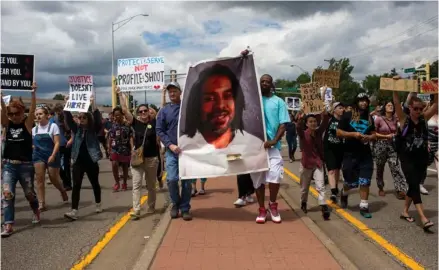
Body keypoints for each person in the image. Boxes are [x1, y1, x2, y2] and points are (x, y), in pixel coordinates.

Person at [179, 64, 267, 178]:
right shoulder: (185, 145)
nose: (220, 106)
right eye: (209, 98)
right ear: (197, 104)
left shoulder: (255, 144)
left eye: (227, 96)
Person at [393, 89, 438, 231]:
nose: (418, 111)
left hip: (421, 158)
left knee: (413, 185)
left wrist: (436, 90)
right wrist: (395, 88)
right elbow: (396, 103)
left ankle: (405, 211)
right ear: (410, 108)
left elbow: (436, 104)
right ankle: (423, 218)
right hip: (407, 159)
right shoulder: (404, 119)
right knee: (414, 185)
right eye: (416, 108)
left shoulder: (424, 119)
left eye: (421, 108)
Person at [1, 83, 40, 237]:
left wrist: (33, 94)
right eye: (11, 114)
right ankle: (8, 224)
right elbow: (3, 112)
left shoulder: (27, 125)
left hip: (25, 166)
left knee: (29, 193)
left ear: (21, 112)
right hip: (9, 165)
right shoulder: (7, 124)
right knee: (7, 194)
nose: (14, 116)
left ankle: (35, 209)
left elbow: (32, 111)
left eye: (17, 113)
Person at [250, 74, 289, 224]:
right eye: (262, 81)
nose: (265, 83)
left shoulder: (278, 102)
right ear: (259, 84)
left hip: (273, 148)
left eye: (268, 82)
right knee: (258, 180)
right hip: (255, 148)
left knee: (274, 176)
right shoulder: (253, 101)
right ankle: (261, 209)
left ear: (272, 84)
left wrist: (274, 141)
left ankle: (273, 204)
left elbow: (283, 124)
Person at [117, 88, 159, 219]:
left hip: (151, 158)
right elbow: (124, 110)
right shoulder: (135, 123)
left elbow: (161, 110)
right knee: (136, 185)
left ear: (149, 112)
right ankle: (137, 209)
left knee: (151, 185)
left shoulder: (154, 122)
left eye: (145, 110)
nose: (143, 113)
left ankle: (151, 206)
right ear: (138, 113)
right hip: (137, 159)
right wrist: (119, 94)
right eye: (140, 111)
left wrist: (163, 94)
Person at [157, 82, 193, 221]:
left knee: (187, 182)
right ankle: (175, 204)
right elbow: (159, 130)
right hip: (172, 151)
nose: (172, 94)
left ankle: (185, 208)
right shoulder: (164, 111)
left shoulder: (187, 108)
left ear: (180, 92)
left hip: (187, 152)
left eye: (174, 91)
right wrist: (170, 145)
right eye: (170, 92)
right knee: (172, 179)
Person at [336, 92, 376, 218]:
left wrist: (369, 137)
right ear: (356, 102)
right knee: (350, 182)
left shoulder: (370, 118)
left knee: (365, 181)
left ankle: (364, 206)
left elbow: (374, 134)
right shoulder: (347, 115)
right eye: (361, 100)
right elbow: (338, 132)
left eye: (365, 100)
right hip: (350, 154)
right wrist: (353, 135)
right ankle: (344, 193)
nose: (363, 103)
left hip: (365, 154)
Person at [63, 96, 103, 220]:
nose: (81, 119)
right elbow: (69, 120)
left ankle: (98, 203)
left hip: (91, 160)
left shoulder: (93, 129)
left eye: (83, 117)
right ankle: (74, 210)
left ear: (88, 118)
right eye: (79, 117)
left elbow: (98, 121)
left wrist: (93, 104)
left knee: (95, 183)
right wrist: (67, 104)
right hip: (78, 161)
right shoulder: (77, 129)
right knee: (76, 185)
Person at [297, 87, 331, 219]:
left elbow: (325, 121)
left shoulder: (318, 132)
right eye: (310, 122)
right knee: (304, 188)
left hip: (317, 163)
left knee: (320, 186)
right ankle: (304, 203)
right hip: (306, 165)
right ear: (307, 123)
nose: (313, 123)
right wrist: (300, 115)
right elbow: (298, 126)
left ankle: (323, 206)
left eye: (314, 122)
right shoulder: (302, 134)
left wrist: (323, 108)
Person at [32, 106, 68, 211]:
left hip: (52, 153)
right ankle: (41, 203)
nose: (38, 116)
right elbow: (33, 143)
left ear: (47, 115)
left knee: (53, 178)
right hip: (38, 155)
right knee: (39, 179)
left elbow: (57, 142)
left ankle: (62, 190)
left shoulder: (53, 126)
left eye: (40, 114)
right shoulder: (35, 129)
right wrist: (33, 147)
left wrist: (52, 155)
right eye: (37, 114)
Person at [373, 101, 407, 199]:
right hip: (380, 145)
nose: (391, 106)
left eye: (392, 105)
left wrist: (395, 135)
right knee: (380, 168)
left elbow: (397, 131)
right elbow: (374, 133)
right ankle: (381, 188)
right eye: (388, 105)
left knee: (395, 167)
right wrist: (385, 136)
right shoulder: (379, 119)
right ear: (385, 108)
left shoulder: (395, 120)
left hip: (392, 145)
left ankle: (400, 189)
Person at [324, 102, 345, 203]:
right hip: (329, 148)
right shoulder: (329, 118)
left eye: (343, 108)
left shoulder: (345, 121)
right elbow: (322, 110)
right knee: (331, 170)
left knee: (337, 170)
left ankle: (335, 188)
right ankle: (333, 191)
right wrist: (322, 94)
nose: (342, 110)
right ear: (334, 109)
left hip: (340, 148)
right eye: (340, 108)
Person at [108, 107, 133, 192]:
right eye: (115, 115)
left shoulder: (127, 125)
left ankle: (124, 183)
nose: (117, 117)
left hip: (125, 148)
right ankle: (117, 183)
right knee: (114, 164)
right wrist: (109, 148)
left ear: (122, 115)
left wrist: (132, 148)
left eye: (118, 115)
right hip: (115, 148)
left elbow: (131, 137)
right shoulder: (113, 125)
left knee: (125, 166)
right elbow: (110, 138)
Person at [50, 104, 73, 191]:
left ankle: (66, 182)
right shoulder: (64, 118)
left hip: (59, 144)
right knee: (65, 165)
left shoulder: (54, 120)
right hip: (64, 144)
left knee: (59, 165)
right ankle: (68, 183)